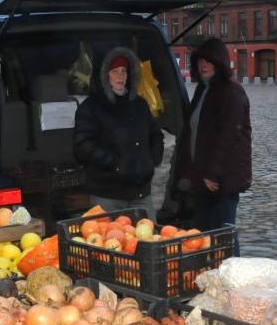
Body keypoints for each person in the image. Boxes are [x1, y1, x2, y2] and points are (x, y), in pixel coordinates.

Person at [73, 46, 164, 217]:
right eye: (114, 71)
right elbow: (83, 146)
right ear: (104, 75)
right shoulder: (91, 108)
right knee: (109, 241)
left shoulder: (140, 105)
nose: (120, 76)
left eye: (124, 71)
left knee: (148, 239)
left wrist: (151, 160)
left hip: (141, 193)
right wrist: (115, 163)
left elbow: (155, 134)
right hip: (107, 195)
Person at [174, 38, 252, 232]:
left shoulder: (232, 92)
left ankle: (231, 264)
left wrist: (212, 174)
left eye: (208, 60)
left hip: (221, 181)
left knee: (222, 238)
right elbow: (193, 132)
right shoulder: (203, 89)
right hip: (202, 179)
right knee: (204, 237)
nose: (203, 65)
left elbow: (228, 138)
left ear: (219, 62)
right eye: (200, 61)